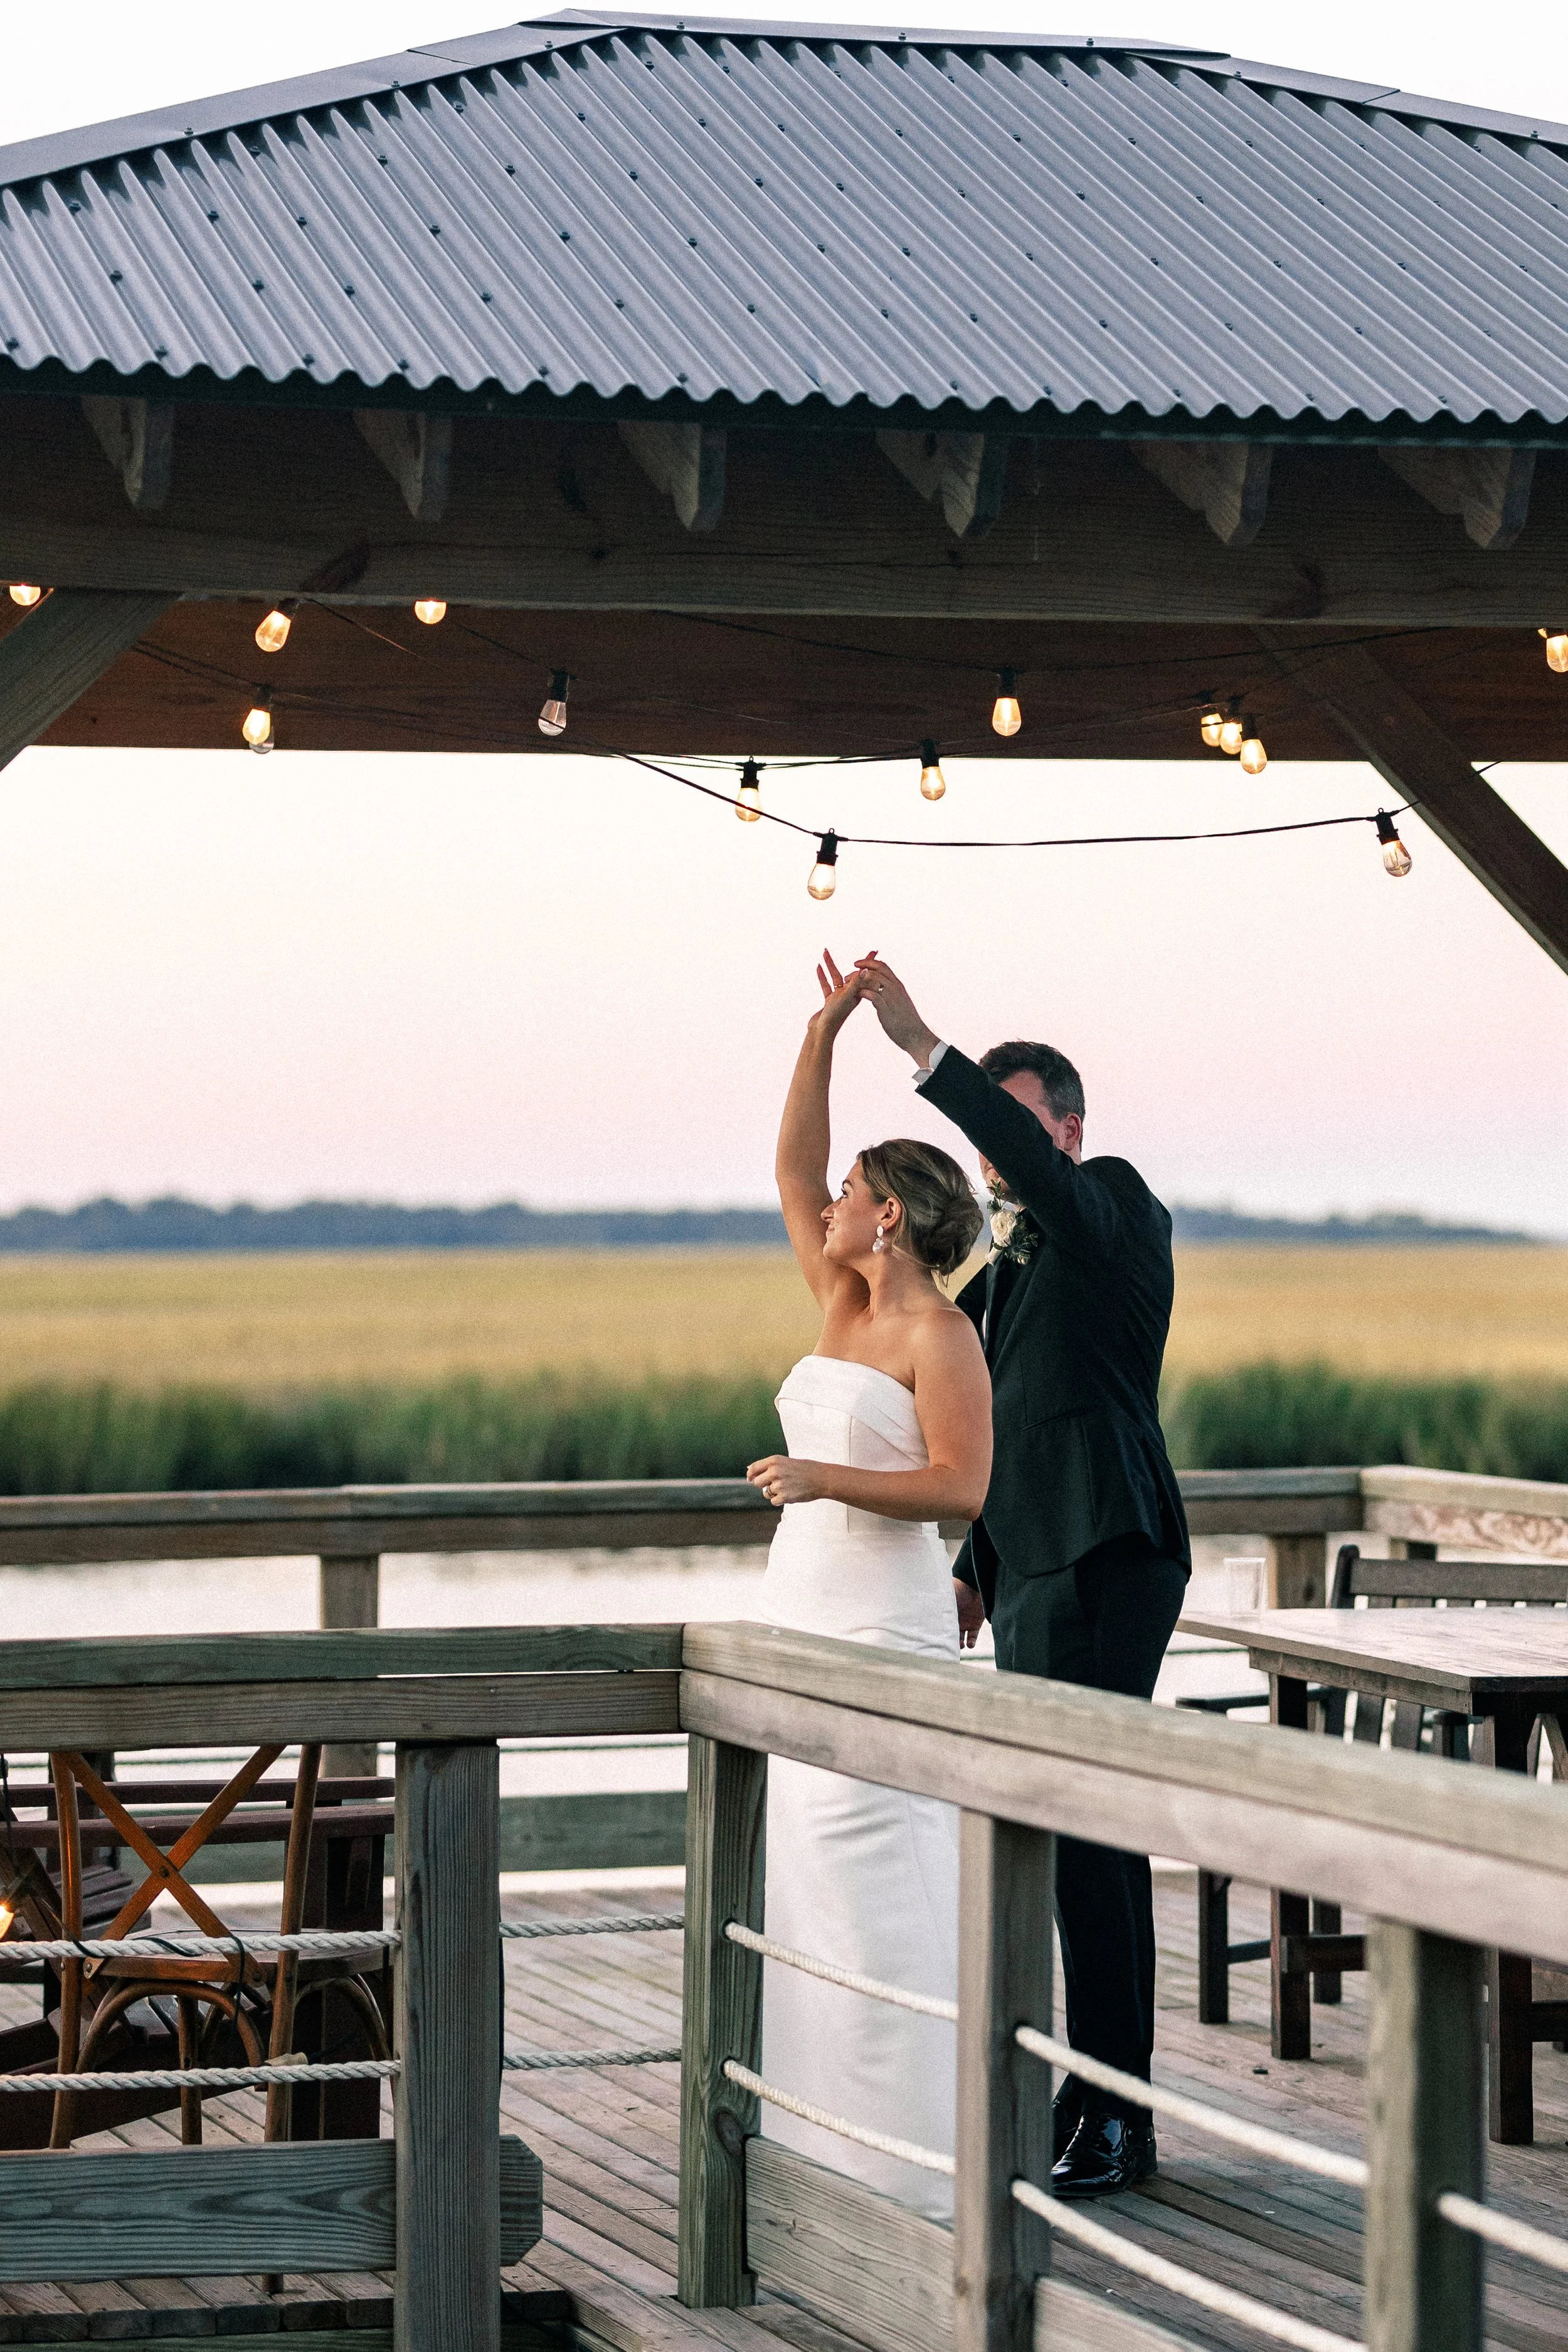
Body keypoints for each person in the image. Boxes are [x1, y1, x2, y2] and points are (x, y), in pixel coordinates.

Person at [854, 952, 1190, 2200]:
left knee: (1090, 1824)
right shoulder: (998, 1279)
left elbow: (1042, 1174)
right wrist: (972, 1577)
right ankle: (1091, 2093)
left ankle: (1114, 2111)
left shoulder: (1112, 1205)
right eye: (992, 1135)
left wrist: (921, 1048)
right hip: (1032, 1564)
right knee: (1054, 1826)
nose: (1000, 1160)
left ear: (1066, 1126)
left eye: (1017, 1126)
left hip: (1111, 1550)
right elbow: (992, 1443)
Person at [743, 950, 990, 2220]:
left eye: (851, 1194)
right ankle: (821, 2153)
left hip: (885, 1621)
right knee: (806, 1886)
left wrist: (829, 1483)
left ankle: (912, 2167)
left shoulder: (938, 1337)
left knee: (877, 1874)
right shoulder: (837, 1301)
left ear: (890, 1213)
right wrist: (822, 1032)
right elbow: (787, 1167)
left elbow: (959, 1490)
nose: (828, 1205)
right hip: (802, 1613)